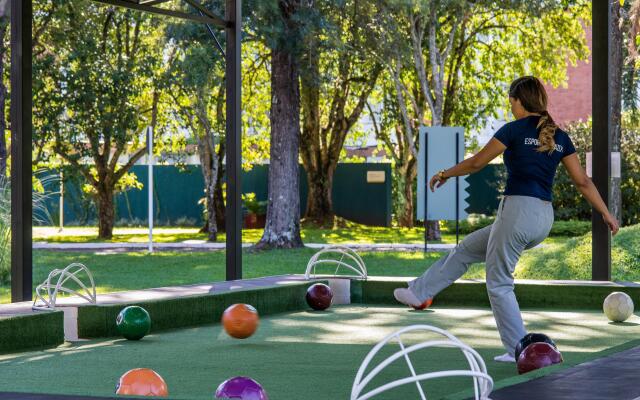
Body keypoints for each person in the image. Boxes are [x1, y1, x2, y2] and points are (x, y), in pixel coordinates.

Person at [393, 76, 620, 362]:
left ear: (518, 100)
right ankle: (419, 291)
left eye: (510, 101)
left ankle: (519, 349)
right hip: (542, 219)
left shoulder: (513, 130)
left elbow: (476, 163)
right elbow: (583, 181)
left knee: (498, 281)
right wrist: (606, 213)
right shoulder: (559, 135)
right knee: (466, 249)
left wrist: (444, 173)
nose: (510, 106)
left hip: (517, 212)